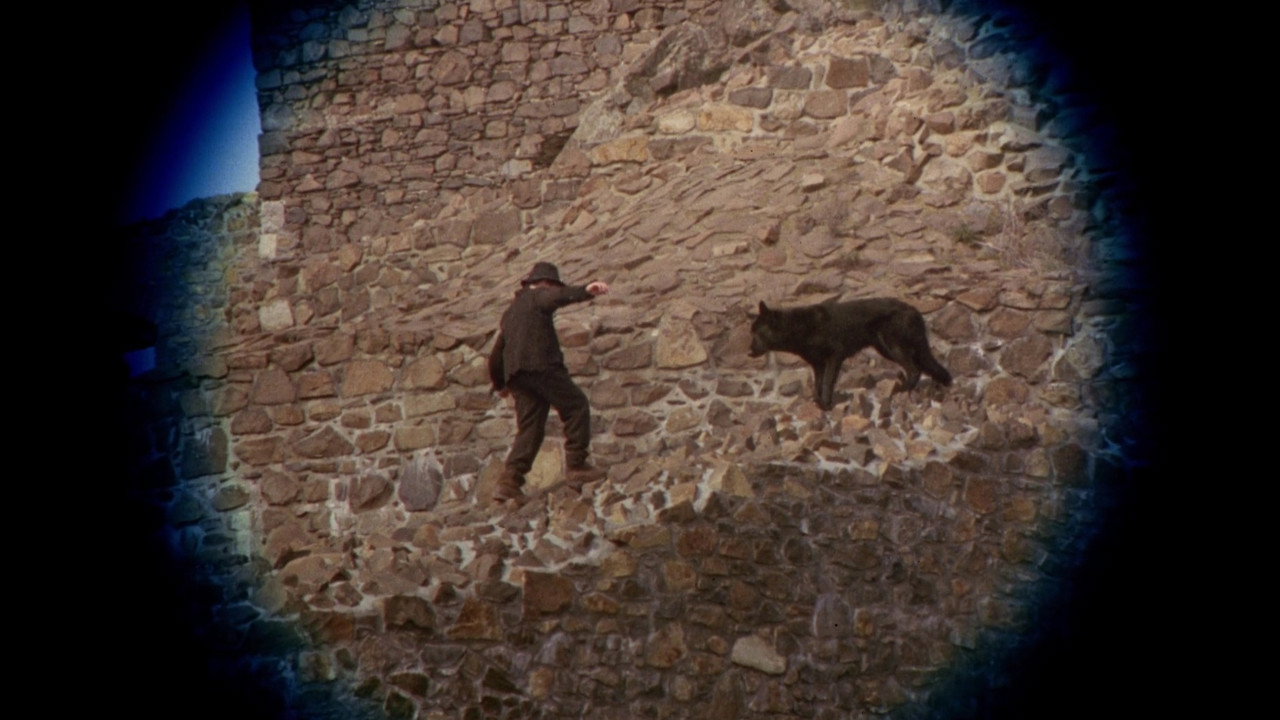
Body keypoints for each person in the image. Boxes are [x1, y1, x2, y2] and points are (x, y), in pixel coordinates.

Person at [488, 262, 611, 504]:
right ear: (545, 283)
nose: (553, 290)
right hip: (541, 365)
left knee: (530, 428)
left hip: (517, 376)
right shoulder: (539, 295)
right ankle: (577, 466)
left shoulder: (511, 312)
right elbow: (556, 297)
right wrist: (586, 290)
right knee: (575, 405)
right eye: (553, 286)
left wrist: (500, 384)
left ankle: (509, 482)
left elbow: (497, 353)